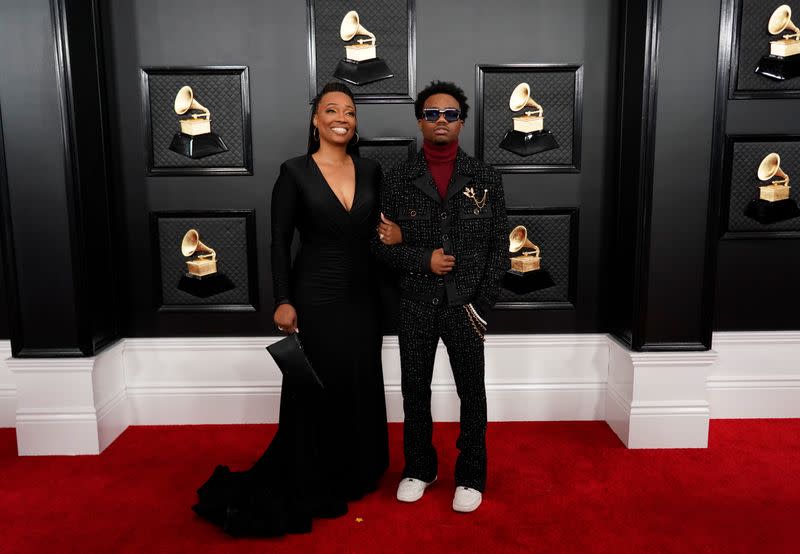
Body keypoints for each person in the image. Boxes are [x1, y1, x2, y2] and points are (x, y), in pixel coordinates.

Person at [192, 82, 400, 536]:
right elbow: (278, 241)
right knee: (317, 386)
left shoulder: (371, 171)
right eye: (331, 109)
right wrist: (283, 299)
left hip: (362, 296)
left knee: (360, 378)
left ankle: (358, 470)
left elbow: (379, 232)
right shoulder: (294, 173)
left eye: (348, 110)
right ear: (316, 120)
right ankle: (316, 473)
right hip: (315, 295)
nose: (341, 117)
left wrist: (393, 238)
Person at [372, 81, 508, 513]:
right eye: (432, 114)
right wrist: (421, 259)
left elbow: (499, 245)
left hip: (466, 305)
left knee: (473, 392)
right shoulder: (398, 178)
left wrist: (480, 301)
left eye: (450, 113)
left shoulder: (485, 176)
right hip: (415, 302)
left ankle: (471, 475)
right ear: (420, 122)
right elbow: (379, 245)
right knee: (414, 389)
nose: (441, 121)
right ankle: (419, 468)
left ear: (462, 121)